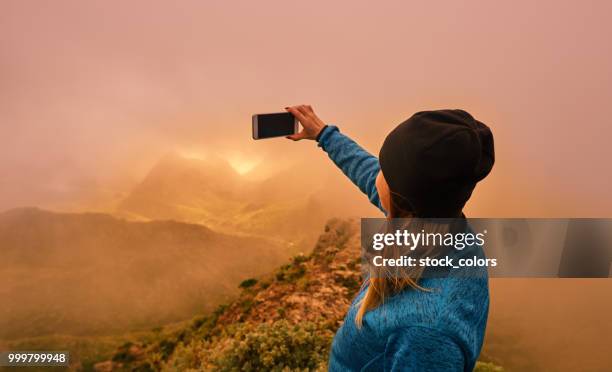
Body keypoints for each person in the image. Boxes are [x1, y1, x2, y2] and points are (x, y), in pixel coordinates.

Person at [285, 105, 495, 372]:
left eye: (385, 169)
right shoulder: (436, 221)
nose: (378, 175)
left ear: (400, 196)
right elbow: (366, 170)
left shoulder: (426, 334)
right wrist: (324, 135)